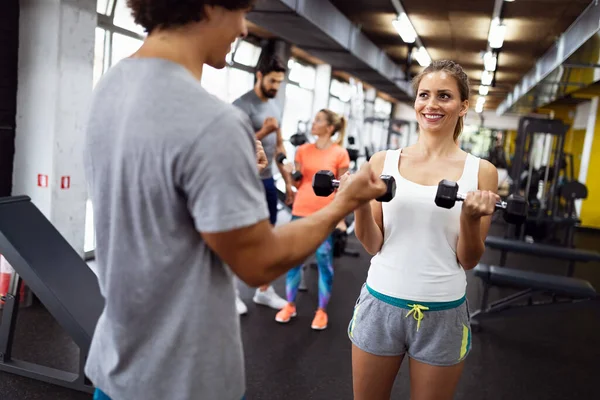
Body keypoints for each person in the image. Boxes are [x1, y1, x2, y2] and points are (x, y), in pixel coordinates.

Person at [82, 1, 388, 400]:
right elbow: (258, 262)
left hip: (116, 365)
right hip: (184, 380)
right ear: (207, 6)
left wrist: (232, 164)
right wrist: (342, 203)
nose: (243, 29)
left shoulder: (110, 85)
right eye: (240, 12)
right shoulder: (211, 121)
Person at [343, 60, 499, 400]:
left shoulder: (481, 172)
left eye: (444, 96)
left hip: (443, 312)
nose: (431, 104)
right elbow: (372, 243)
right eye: (424, 95)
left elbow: (469, 259)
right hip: (380, 303)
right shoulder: (382, 162)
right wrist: (356, 203)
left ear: (463, 107)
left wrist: (470, 219)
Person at [275, 109, 350, 331]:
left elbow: (344, 189)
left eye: (318, 120)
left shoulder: (340, 154)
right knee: (293, 260)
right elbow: (299, 184)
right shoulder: (302, 150)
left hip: (324, 215)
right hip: (300, 210)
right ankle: (290, 305)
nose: (313, 123)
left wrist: (340, 217)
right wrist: (289, 175)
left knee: (324, 263)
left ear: (329, 128)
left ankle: (321, 311)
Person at [232, 57, 291, 315]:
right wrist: (263, 132)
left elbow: (279, 147)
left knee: (267, 235)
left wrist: (288, 181)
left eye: (280, 81)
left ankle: (264, 291)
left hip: (267, 179)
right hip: (243, 179)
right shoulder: (241, 106)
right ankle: (230, 293)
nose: (276, 86)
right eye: (272, 80)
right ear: (259, 75)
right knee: (237, 237)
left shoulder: (276, 105)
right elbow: (231, 144)